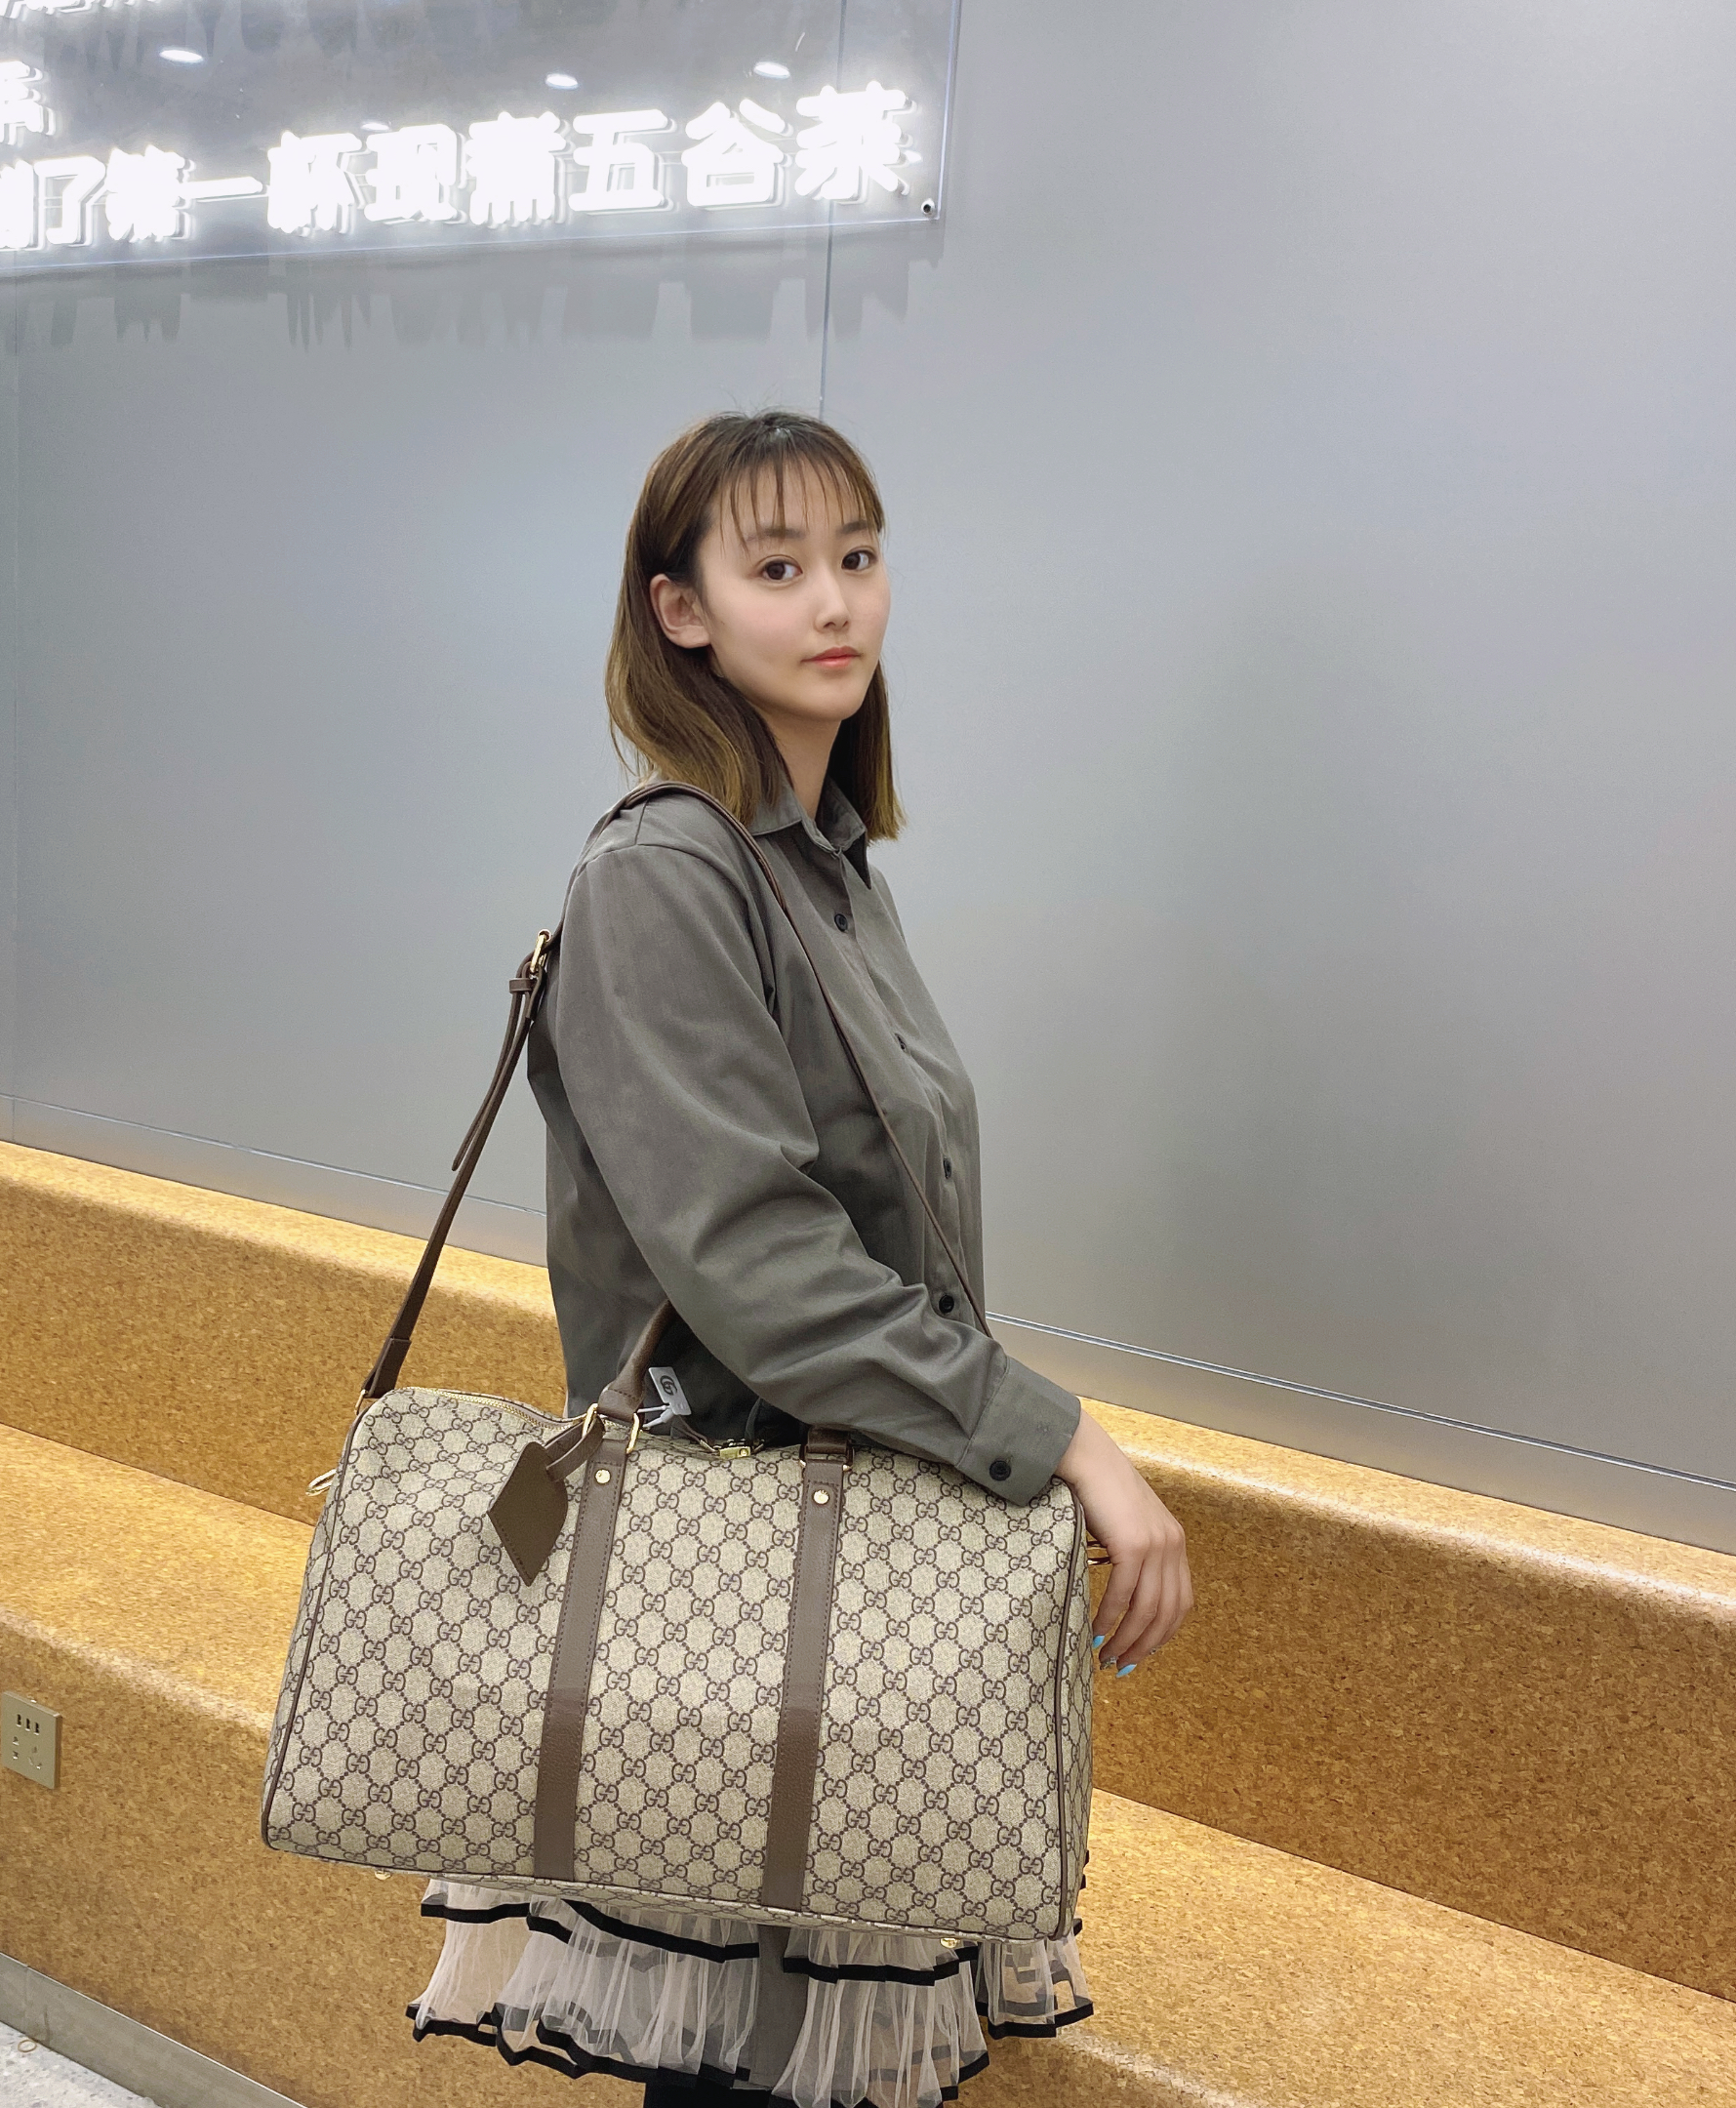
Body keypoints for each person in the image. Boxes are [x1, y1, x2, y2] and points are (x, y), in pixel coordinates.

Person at [405, 410, 1194, 2107]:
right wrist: (1064, 1436)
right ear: (679, 610)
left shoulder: (825, 870)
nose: (835, 602)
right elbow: (762, 1269)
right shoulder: (665, 875)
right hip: (741, 1590)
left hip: (840, 1583)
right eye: (776, 568)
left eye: (857, 556)